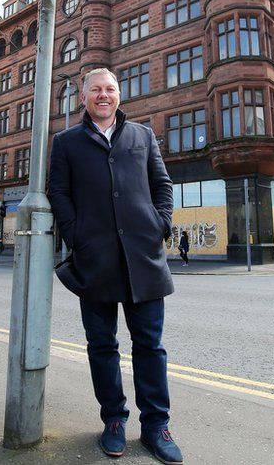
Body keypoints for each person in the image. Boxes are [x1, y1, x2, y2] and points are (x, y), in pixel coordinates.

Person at [49, 68, 183, 464]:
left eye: (110, 89)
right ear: (84, 97)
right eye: (96, 90)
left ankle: (157, 425)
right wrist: (77, 236)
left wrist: (160, 223)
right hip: (95, 260)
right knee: (102, 346)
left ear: (119, 95)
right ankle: (113, 420)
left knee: (150, 347)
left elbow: (162, 184)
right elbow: (58, 191)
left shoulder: (143, 135)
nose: (103, 96)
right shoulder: (66, 142)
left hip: (143, 258)